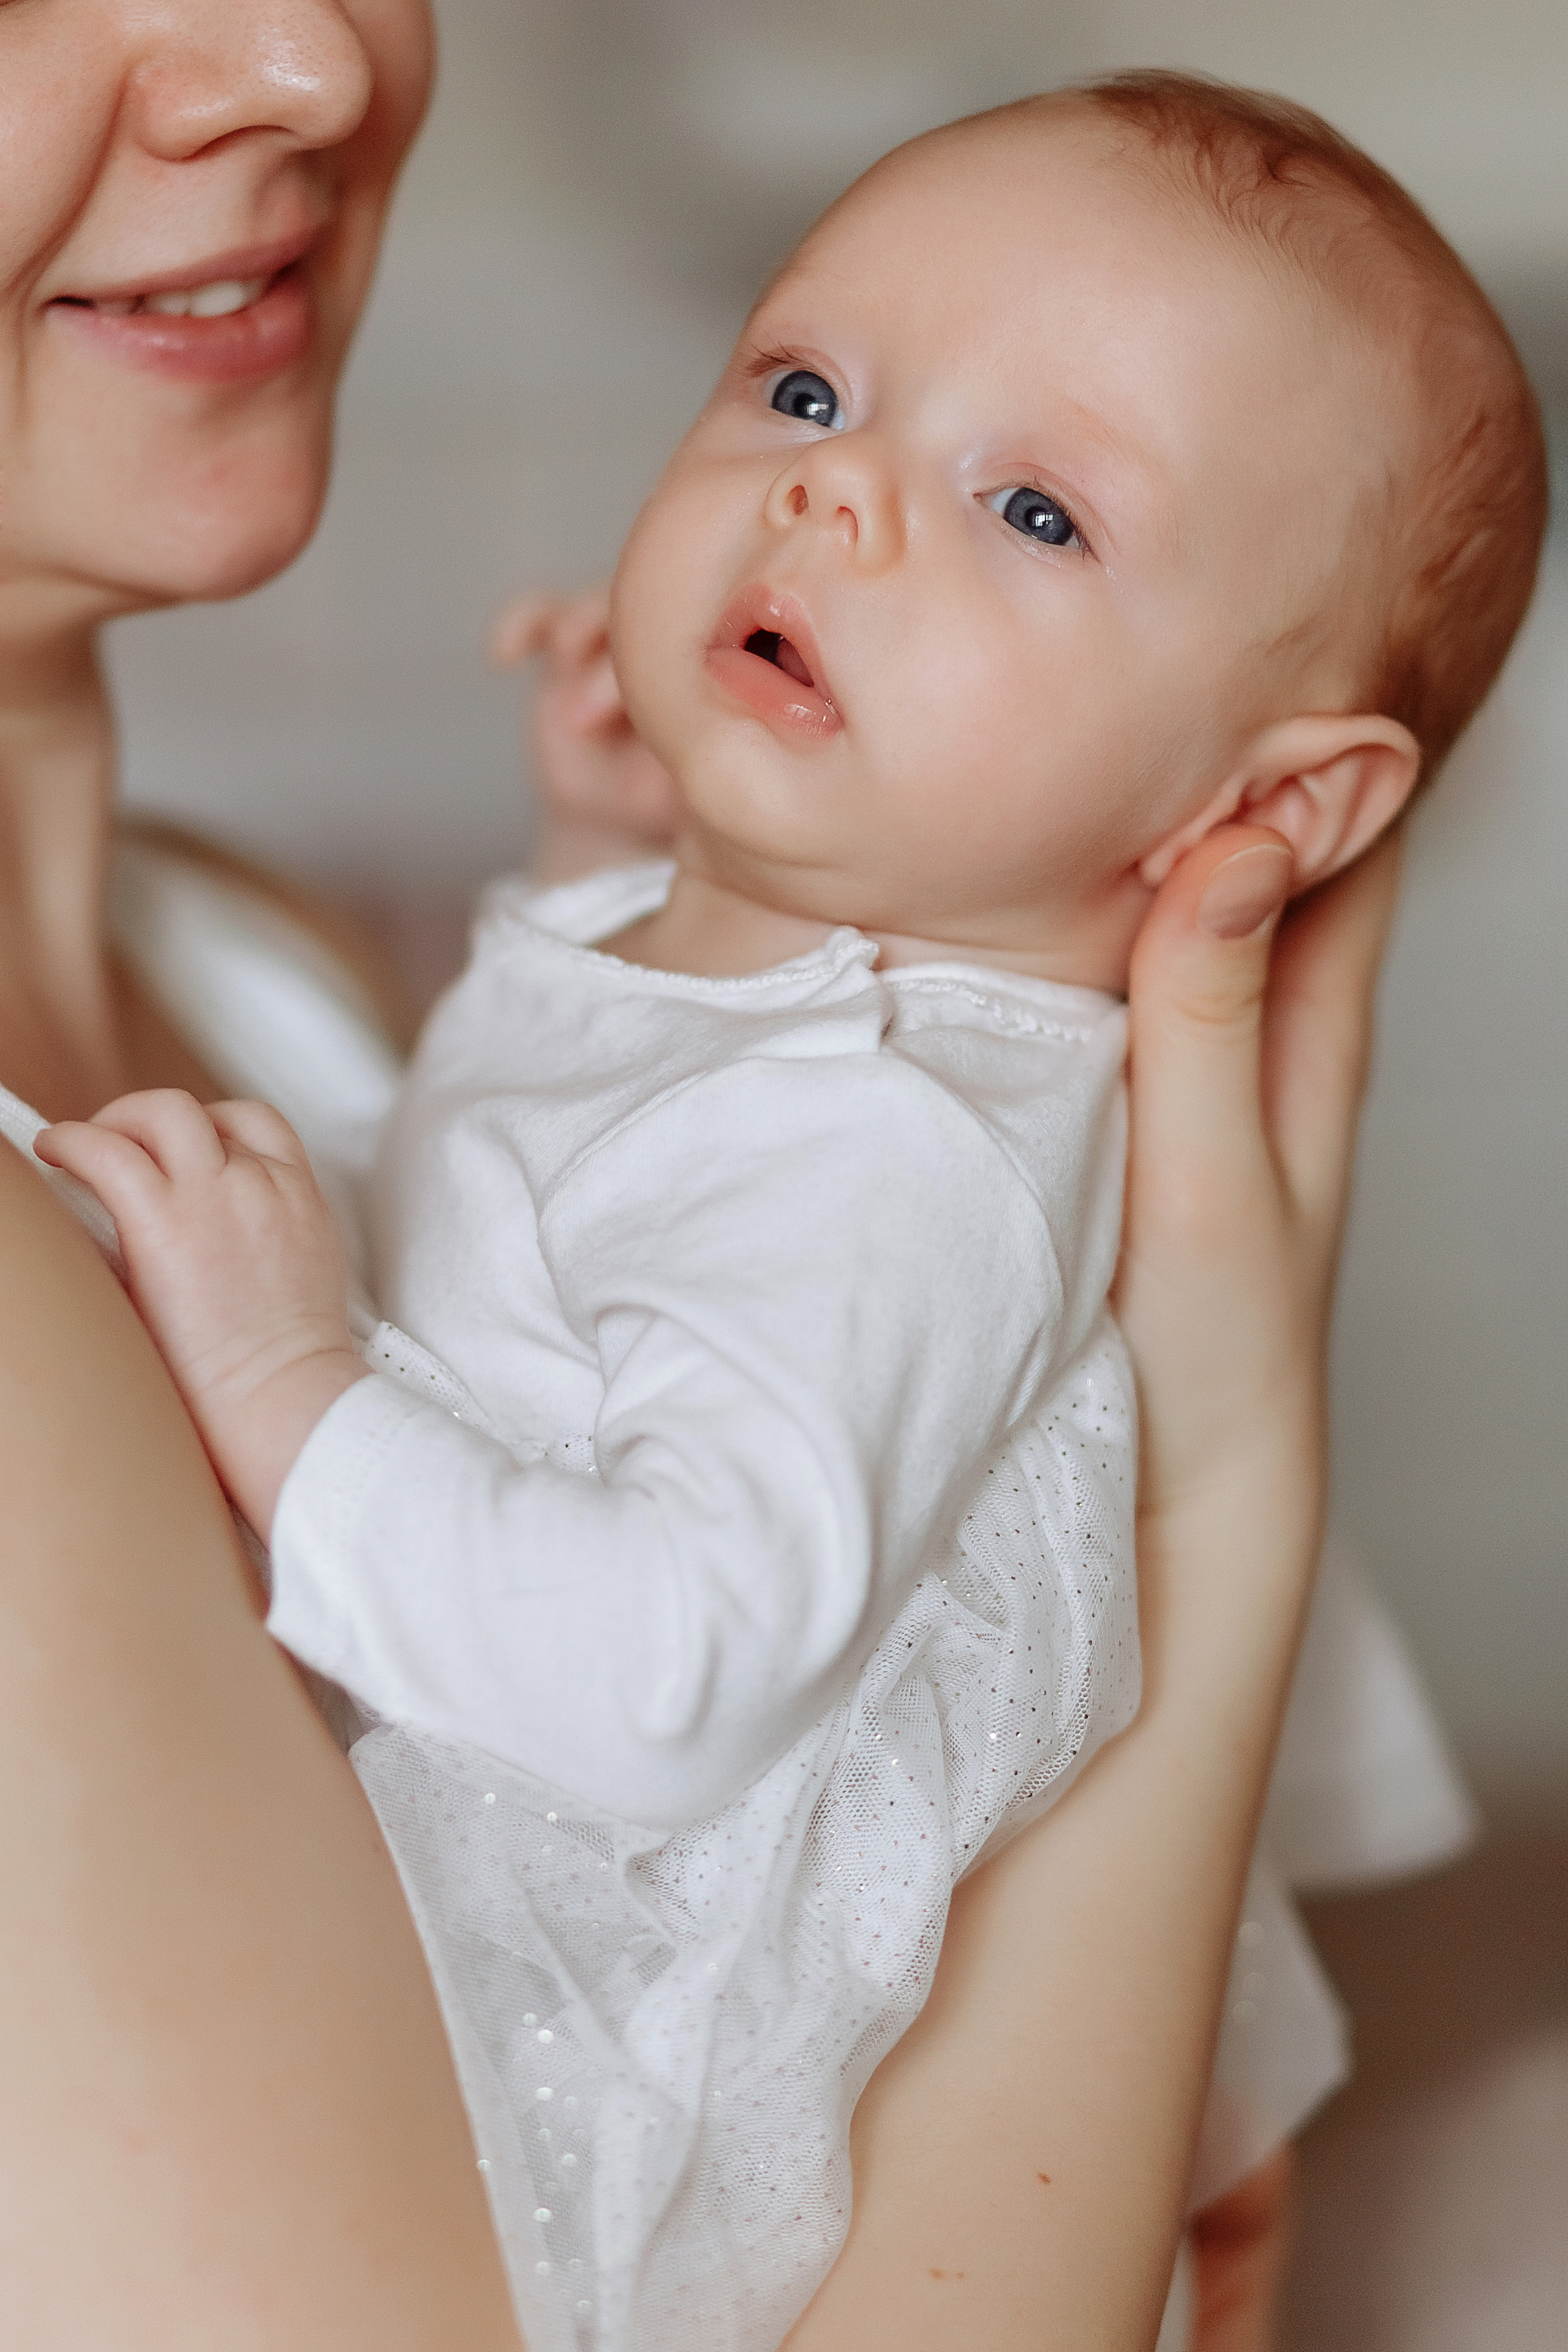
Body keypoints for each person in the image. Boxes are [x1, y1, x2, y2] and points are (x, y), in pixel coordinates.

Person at [34, 75, 1547, 2352]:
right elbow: (624, 1227)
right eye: (807, 387)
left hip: (688, 2192)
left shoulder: (894, 1152)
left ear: (1271, 807)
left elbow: (660, 1629)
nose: (831, 486)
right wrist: (626, 903)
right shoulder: (851, 1070)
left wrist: (290, 1384)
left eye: (1034, 508)